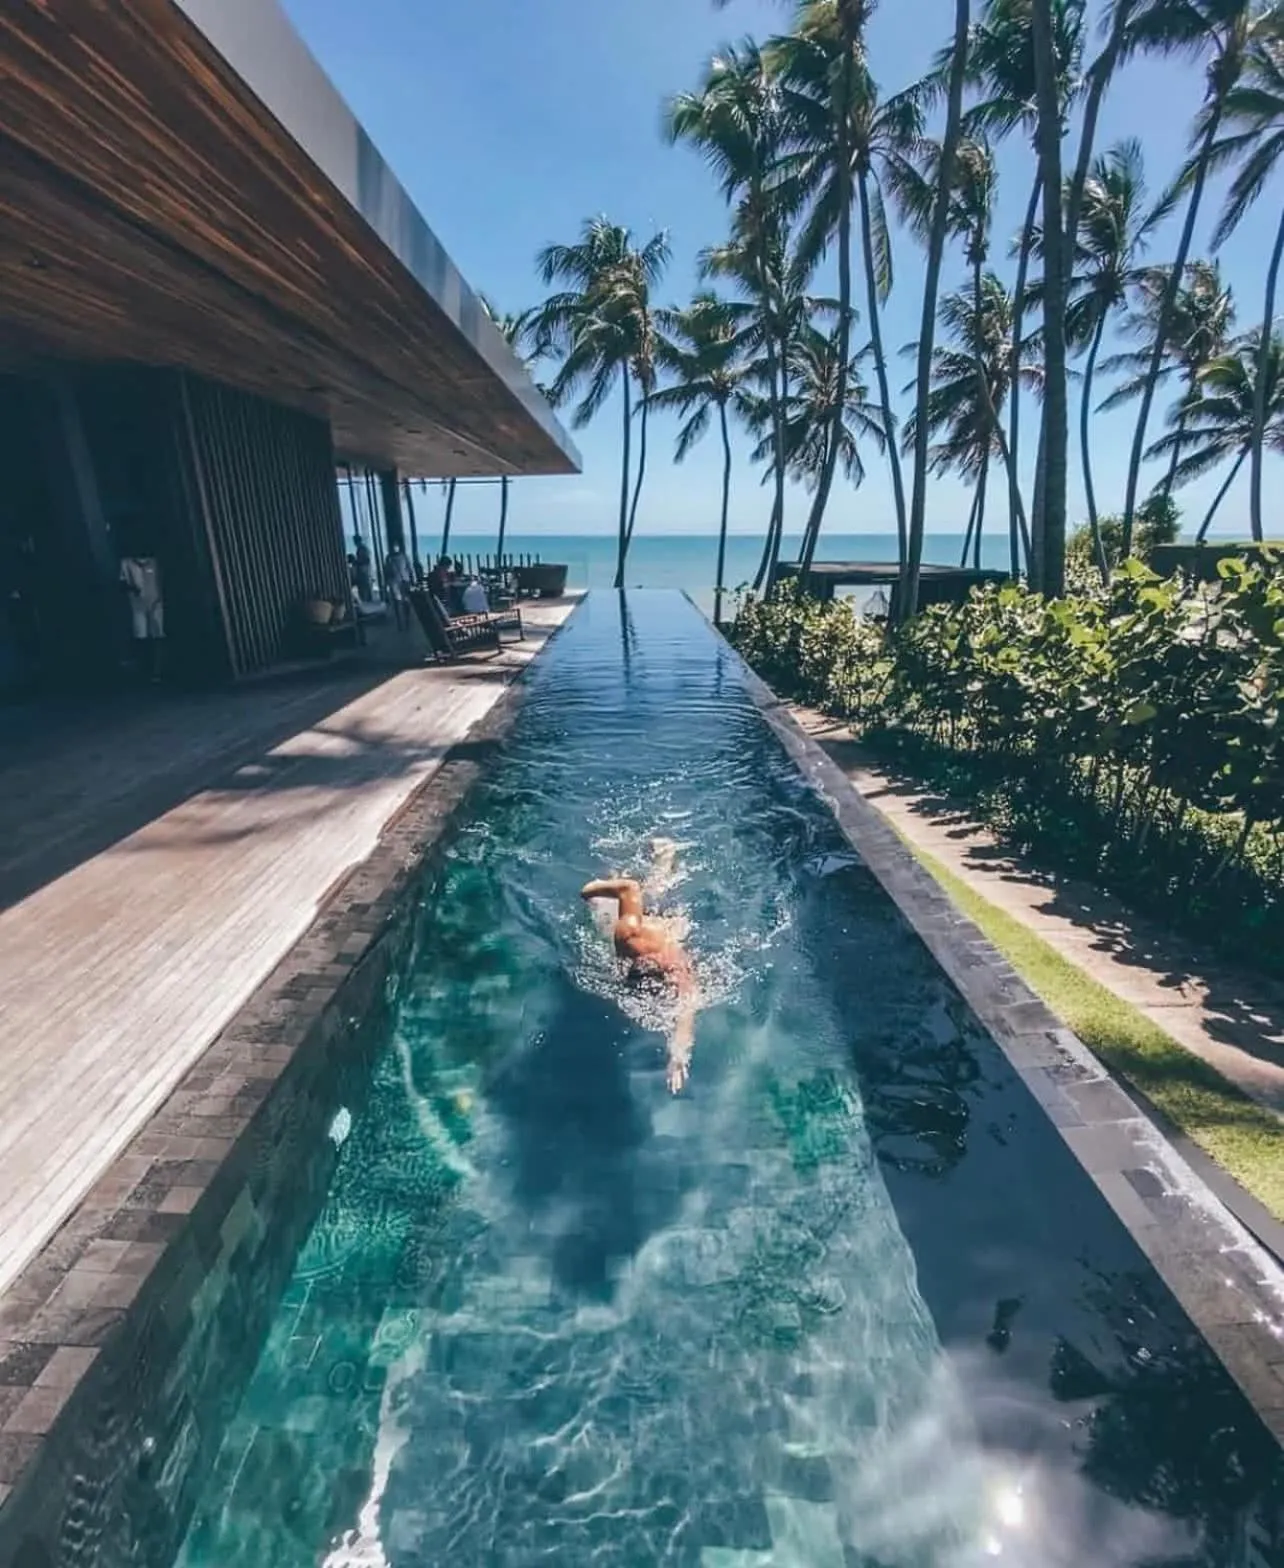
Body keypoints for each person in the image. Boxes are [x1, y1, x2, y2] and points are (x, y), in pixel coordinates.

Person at [580, 840, 699, 1092]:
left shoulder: (677, 969)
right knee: (638, 899)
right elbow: (629, 888)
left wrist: (677, 1058)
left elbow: (686, 1014)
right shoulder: (631, 938)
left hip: (664, 930)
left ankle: (664, 857)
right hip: (653, 926)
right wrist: (593, 889)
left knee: (654, 899)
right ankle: (664, 856)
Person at [119, 549, 164, 682]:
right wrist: (132, 588)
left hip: (156, 603)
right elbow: (121, 584)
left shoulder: (155, 562)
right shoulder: (127, 563)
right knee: (141, 637)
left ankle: (158, 670)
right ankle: (146, 670)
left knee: (158, 636)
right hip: (138, 605)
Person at [385, 544, 413, 631]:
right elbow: (387, 571)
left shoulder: (404, 556)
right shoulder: (389, 558)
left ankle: (406, 620)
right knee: (397, 602)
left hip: (404, 580)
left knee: (406, 602)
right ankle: (400, 622)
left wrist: (412, 579)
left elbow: (409, 568)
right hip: (395, 582)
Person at [352, 534, 373, 602]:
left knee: (364, 589)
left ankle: (367, 602)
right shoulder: (363, 548)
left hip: (363, 572)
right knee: (365, 588)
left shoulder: (362, 549)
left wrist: (356, 562)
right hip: (365, 572)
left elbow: (366, 560)